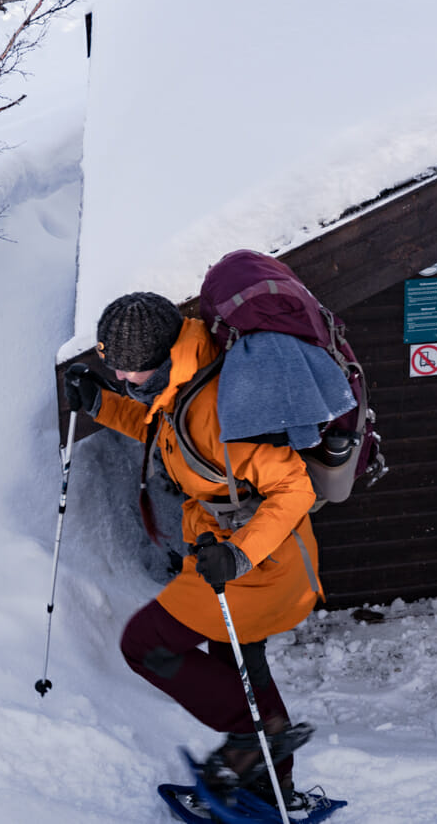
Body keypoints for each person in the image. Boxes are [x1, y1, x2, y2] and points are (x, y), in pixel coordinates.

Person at [64, 291, 323, 811]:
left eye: (128, 373)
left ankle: (252, 739)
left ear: (159, 361)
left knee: (145, 645)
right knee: (237, 663)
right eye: (112, 369)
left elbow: (295, 486)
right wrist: (99, 404)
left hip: (257, 563)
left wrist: (240, 556)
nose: (121, 380)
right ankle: (275, 789)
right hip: (241, 553)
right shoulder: (187, 374)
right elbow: (166, 434)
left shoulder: (221, 405)